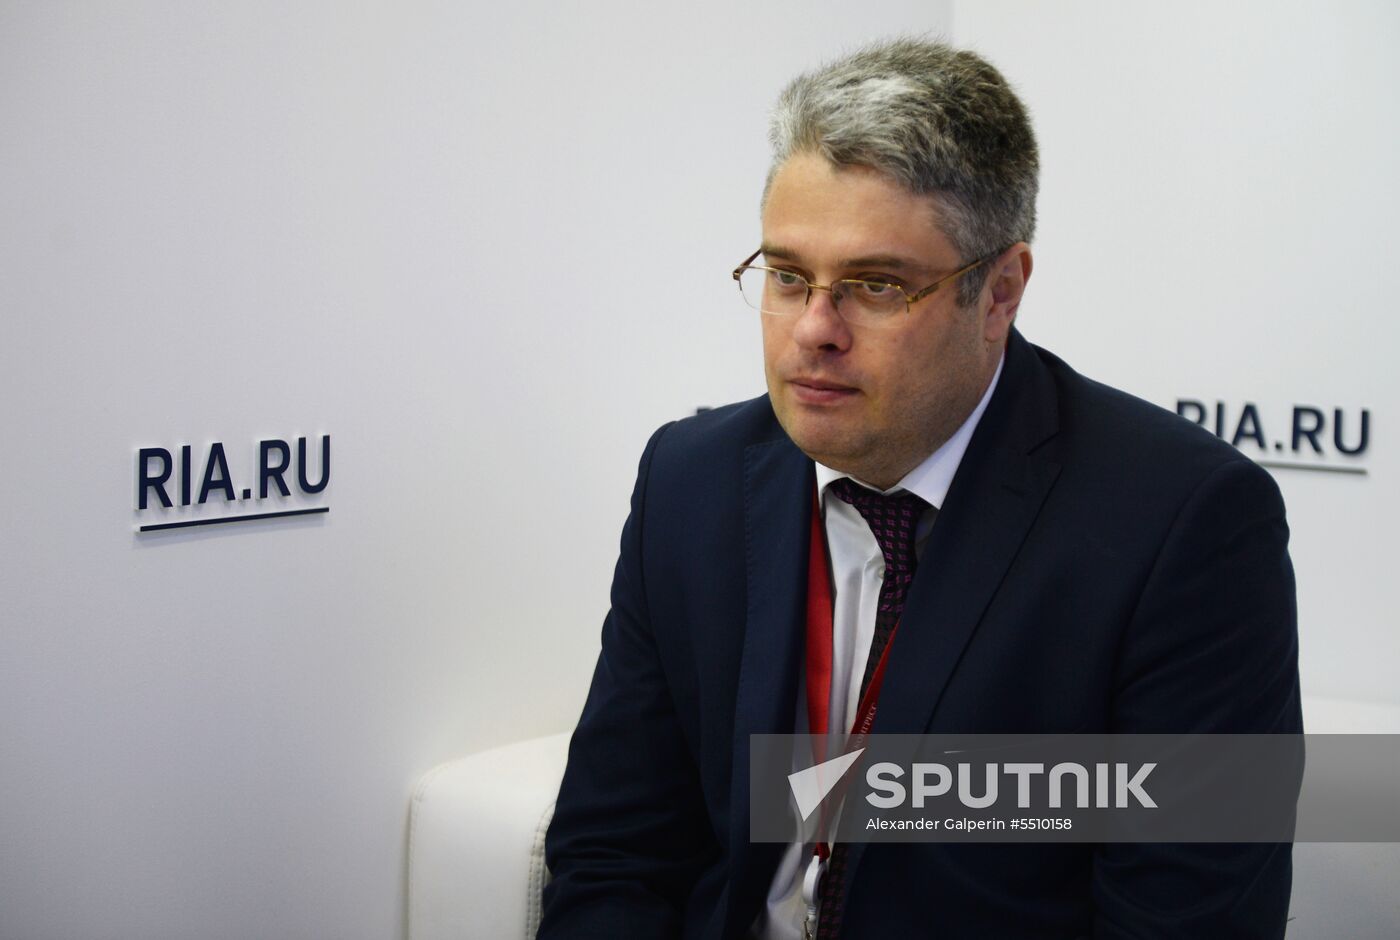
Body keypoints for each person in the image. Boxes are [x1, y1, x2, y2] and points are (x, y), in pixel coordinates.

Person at [539, 38, 1301, 939]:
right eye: (787, 276)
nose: (813, 330)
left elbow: (1187, 915)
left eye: (874, 285)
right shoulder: (689, 480)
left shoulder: (1183, 525)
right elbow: (616, 849)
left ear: (1000, 290)